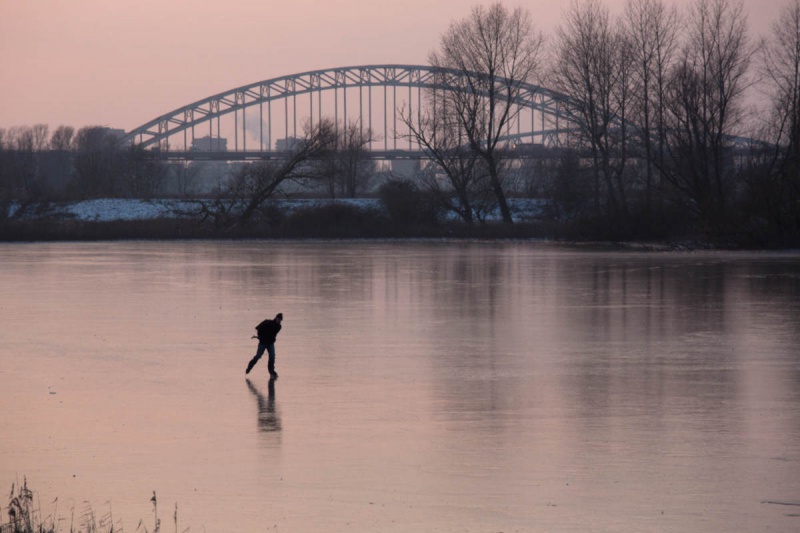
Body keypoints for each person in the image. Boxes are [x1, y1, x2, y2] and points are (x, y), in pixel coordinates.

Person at [246, 312, 283, 377]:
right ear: (275, 318)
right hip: (263, 342)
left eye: (280, 320)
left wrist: (271, 338)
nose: (279, 321)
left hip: (270, 343)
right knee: (258, 356)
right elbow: (258, 328)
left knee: (272, 356)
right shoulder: (267, 322)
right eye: (278, 319)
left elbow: (273, 334)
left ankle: (271, 371)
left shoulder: (279, 327)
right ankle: (249, 367)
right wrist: (260, 337)